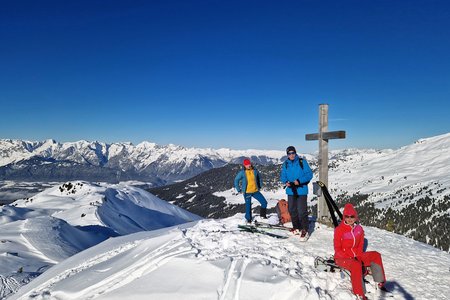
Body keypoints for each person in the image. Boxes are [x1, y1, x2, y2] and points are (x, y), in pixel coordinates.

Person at [334, 203, 387, 300]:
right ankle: (360, 294)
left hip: (356, 256)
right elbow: (337, 249)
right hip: (342, 258)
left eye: (352, 216)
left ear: (356, 217)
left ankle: (380, 282)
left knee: (376, 255)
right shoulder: (339, 230)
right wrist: (350, 257)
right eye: (347, 216)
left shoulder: (359, 229)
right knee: (355, 264)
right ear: (344, 217)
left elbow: (360, 245)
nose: (350, 219)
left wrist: (358, 256)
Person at [280, 146, 313, 239]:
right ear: (287, 155)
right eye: (289, 153)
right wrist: (285, 181)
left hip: (301, 190)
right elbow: (283, 175)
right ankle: (296, 227)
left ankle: (305, 229)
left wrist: (299, 181)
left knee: (302, 211)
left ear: (295, 153)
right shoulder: (285, 164)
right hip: (291, 190)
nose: (291, 155)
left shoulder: (302, 162)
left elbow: (309, 174)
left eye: (293, 153)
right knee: (292, 210)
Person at [234, 158, 268, 223]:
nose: (248, 165)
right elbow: (236, 180)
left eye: (249, 164)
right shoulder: (242, 173)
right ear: (244, 165)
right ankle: (248, 219)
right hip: (247, 192)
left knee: (264, 202)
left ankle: (263, 216)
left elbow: (259, 178)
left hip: (255, 191)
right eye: (246, 165)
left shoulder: (255, 171)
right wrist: (238, 189)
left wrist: (260, 185)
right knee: (248, 206)